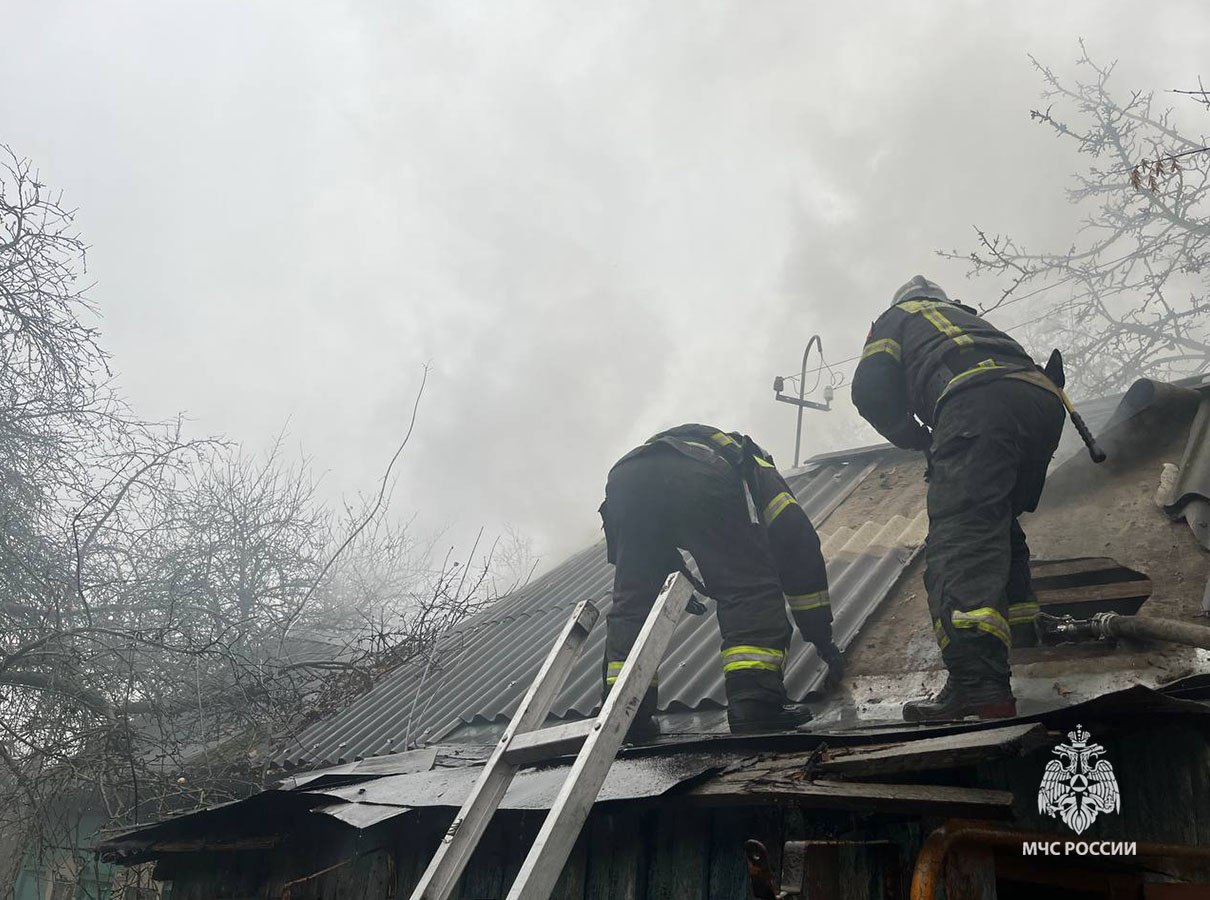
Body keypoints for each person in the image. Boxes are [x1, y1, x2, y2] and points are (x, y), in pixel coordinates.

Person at [852, 275, 1066, 722]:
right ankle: (1024, 631)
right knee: (996, 519)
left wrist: (914, 437)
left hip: (977, 403)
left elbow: (869, 390)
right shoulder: (965, 319)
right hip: (1044, 401)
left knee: (960, 538)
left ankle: (978, 686)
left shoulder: (897, 317)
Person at [598, 423, 844, 737]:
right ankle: (755, 705)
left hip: (625, 480)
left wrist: (660, 567)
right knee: (748, 587)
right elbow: (799, 547)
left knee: (635, 603)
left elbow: (632, 562)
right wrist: (821, 637)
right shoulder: (758, 469)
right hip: (698, 476)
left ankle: (625, 717)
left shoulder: (669, 452)